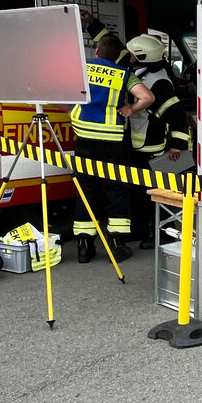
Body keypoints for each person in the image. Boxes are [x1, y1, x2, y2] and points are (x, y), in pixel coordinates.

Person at [70, 30, 154, 263]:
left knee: (87, 188)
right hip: (113, 140)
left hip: (84, 137)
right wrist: (130, 109)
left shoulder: (82, 68)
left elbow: (60, 95)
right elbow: (147, 97)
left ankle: (84, 246)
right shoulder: (124, 74)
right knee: (117, 188)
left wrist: (73, 111)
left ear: (96, 51)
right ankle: (118, 244)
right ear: (118, 56)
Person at [124, 34, 191, 248]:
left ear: (142, 56)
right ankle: (140, 230)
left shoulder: (159, 82)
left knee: (158, 193)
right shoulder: (142, 74)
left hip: (153, 146)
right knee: (138, 191)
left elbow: (178, 115)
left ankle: (163, 234)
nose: (129, 57)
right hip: (138, 145)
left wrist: (178, 145)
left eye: (133, 53)